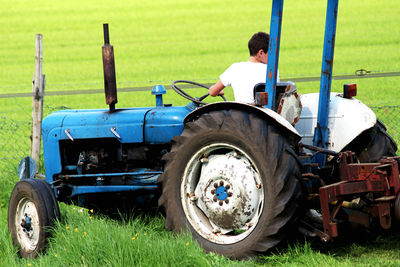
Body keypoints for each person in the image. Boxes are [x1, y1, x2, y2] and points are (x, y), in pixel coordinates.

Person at [209, 32, 279, 104]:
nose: (272, 58)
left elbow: (212, 92)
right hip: (262, 113)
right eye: (270, 54)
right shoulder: (271, 70)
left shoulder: (234, 68)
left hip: (241, 113)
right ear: (261, 53)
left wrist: (215, 90)